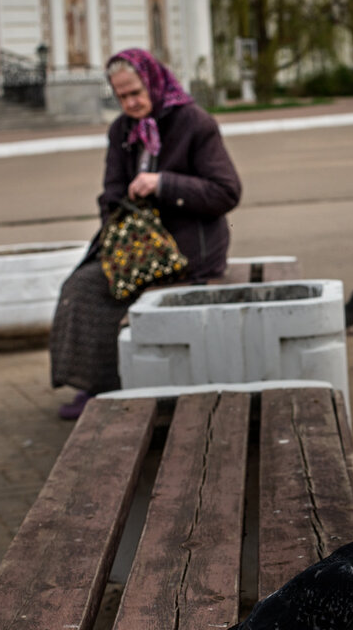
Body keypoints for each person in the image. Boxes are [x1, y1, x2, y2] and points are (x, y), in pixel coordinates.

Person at [49, 48, 242, 419]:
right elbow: (111, 191)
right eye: (121, 96)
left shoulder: (194, 124)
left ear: (153, 82)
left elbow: (226, 192)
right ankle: (94, 384)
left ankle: (104, 387)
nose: (130, 102)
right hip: (140, 247)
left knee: (99, 289)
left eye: (136, 92)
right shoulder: (121, 130)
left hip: (189, 251)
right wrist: (119, 214)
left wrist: (162, 184)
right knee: (81, 285)